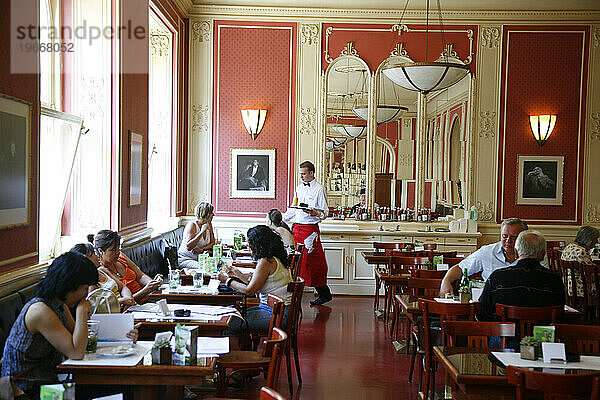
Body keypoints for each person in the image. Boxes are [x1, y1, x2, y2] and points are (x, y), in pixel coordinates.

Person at [0, 252, 138, 399]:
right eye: (84, 288)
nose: (86, 295)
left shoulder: (58, 305)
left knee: (121, 389)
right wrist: (81, 311)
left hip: (49, 383)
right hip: (26, 391)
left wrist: (124, 336)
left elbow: (83, 341)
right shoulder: (40, 311)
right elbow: (76, 353)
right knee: (117, 393)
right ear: (69, 284)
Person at [218, 225, 292, 337]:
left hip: (277, 314)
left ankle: (234, 353)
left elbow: (249, 291)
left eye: (250, 244)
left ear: (258, 244)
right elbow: (256, 282)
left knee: (230, 322)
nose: (249, 248)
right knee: (234, 313)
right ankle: (243, 348)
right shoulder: (275, 257)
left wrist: (227, 280)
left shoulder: (266, 261)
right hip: (281, 310)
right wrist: (237, 274)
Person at [478, 230, 565, 323]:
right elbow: (559, 316)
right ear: (543, 255)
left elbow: (482, 314)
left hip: (504, 336)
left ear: (516, 253)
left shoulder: (496, 277)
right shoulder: (555, 280)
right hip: (542, 337)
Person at [283, 160, 332, 306]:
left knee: (314, 263)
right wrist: (279, 218)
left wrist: (314, 212)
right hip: (296, 228)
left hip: (310, 230)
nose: (302, 177)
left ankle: (324, 293)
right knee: (295, 262)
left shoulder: (319, 189)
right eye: (300, 174)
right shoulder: (299, 188)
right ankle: (293, 293)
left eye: (304, 174)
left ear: (311, 173)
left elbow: (325, 213)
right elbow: (293, 208)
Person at [439, 218, 529, 296]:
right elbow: (460, 268)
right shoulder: (487, 252)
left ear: (523, 238)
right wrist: (446, 281)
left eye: (513, 237)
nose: (508, 241)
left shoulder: (533, 254)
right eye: (505, 236)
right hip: (492, 306)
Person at [90, 230, 163, 303]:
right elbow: (125, 301)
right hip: (133, 307)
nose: (117, 252)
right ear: (101, 251)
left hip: (149, 299)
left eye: (118, 247)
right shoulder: (102, 272)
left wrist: (152, 283)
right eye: (113, 250)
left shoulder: (120, 257)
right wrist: (146, 290)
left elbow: (140, 276)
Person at [71, 243, 135, 308]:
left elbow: (122, 287)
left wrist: (128, 298)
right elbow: (99, 306)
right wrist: (123, 300)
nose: (98, 256)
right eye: (93, 254)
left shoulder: (102, 270)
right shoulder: (89, 285)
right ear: (86, 259)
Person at [560, 225, 600, 296]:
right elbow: (592, 274)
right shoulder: (581, 251)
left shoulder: (569, 247)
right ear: (589, 239)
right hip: (581, 289)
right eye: (595, 239)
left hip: (568, 286)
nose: (596, 241)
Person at [178, 202, 216, 268]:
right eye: (211, 213)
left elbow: (213, 243)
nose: (213, 215)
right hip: (186, 259)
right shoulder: (192, 225)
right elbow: (189, 247)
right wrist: (202, 232)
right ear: (205, 214)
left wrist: (202, 249)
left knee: (217, 265)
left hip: (200, 259)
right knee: (208, 267)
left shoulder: (209, 224)